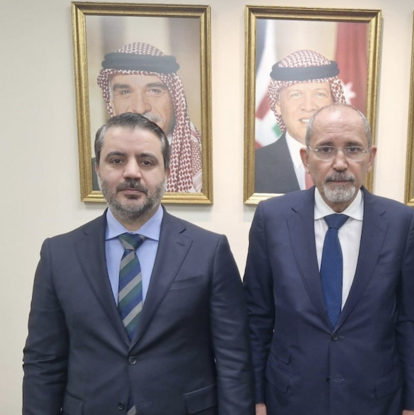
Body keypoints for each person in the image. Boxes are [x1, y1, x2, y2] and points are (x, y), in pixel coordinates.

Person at [23, 113, 253, 415]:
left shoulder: (209, 251)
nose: (132, 172)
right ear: (97, 168)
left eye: (146, 161)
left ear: (166, 171)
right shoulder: (59, 254)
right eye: (117, 160)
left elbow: (234, 359)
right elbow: (43, 361)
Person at [245, 104, 414, 415]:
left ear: (370, 157)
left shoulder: (399, 222)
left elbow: (410, 321)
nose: (340, 163)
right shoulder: (272, 218)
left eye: (353, 149)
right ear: (306, 159)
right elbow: (255, 318)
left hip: (374, 400)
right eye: (326, 149)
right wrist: (255, 398)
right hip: (289, 399)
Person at [96, 42, 202, 193]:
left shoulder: (210, 165)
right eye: (125, 92)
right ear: (111, 103)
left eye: (154, 91)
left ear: (175, 100)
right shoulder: (93, 176)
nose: (140, 108)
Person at [255, 49, 347, 194]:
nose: (309, 106)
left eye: (320, 94)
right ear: (278, 105)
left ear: (334, 103)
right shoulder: (255, 165)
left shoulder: (353, 162)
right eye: (296, 95)